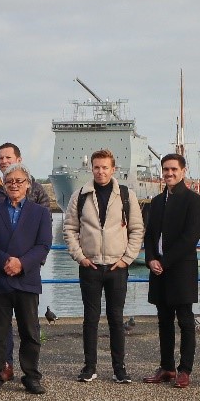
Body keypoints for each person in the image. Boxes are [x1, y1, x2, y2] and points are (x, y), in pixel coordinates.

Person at [63, 148, 145, 384]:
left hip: (117, 267)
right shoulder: (80, 195)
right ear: (92, 169)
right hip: (90, 266)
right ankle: (89, 367)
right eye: (97, 167)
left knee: (116, 319)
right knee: (90, 318)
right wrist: (80, 256)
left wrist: (126, 259)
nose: (100, 172)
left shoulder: (126, 196)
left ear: (113, 169)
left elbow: (137, 229)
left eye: (105, 167)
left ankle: (119, 368)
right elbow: (70, 228)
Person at [0, 164, 52, 395]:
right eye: (10, 181)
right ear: (4, 184)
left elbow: (43, 244)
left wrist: (21, 263)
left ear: (28, 184)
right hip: (0, 278)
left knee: (30, 331)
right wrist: (5, 262)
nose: (14, 185)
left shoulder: (40, 213)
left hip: (27, 278)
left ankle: (31, 376)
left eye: (19, 181)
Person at [143, 154, 200, 389]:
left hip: (181, 268)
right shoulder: (157, 201)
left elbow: (190, 238)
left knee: (185, 320)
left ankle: (185, 369)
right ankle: (167, 366)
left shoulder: (194, 201)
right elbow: (150, 235)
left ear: (183, 171)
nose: (169, 173)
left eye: (173, 169)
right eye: (165, 169)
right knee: (163, 321)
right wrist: (150, 258)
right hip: (158, 269)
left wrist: (165, 261)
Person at [0, 143, 51, 209]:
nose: (4, 161)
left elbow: (46, 217)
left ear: (19, 160)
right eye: (1, 158)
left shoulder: (36, 189)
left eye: (8, 157)